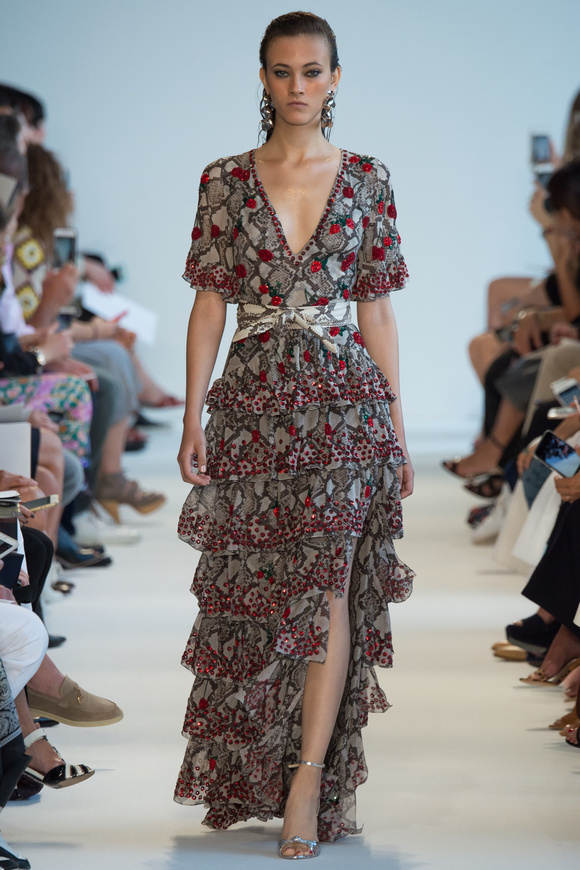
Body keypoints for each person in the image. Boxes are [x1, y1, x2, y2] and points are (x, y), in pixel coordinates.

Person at [176, 11, 414, 860]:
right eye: (283, 72)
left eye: (313, 71)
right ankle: (265, 767)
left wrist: (396, 426)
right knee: (262, 592)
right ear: (264, 79)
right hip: (252, 406)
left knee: (328, 588)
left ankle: (309, 778)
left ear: (335, 78)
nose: (298, 86)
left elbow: (376, 309)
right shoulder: (224, 181)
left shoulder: (368, 179)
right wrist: (192, 413)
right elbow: (210, 303)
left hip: (345, 409)